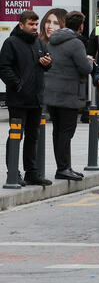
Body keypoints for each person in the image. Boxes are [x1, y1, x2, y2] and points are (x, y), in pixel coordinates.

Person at [0, 10, 52, 186]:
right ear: (21, 25)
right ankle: (13, 172)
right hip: (19, 99)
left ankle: (32, 173)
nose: (35, 27)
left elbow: (47, 61)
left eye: (36, 24)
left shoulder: (38, 42)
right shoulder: (11, 43)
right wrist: (18, 85)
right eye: (31, 24)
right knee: (16, 135)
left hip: (36, 98)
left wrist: (47, 63)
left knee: (33, 136)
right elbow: (4, 68)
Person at [43, 10, 93, 180]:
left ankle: (63, 167)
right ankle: (64, 168)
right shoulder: (76, 43)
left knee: (58, 132)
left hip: (52, 93)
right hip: (68, 94)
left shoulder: (53, 40)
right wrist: (89, 61)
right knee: (66, 132)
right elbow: (85, 68)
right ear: (80, 26)